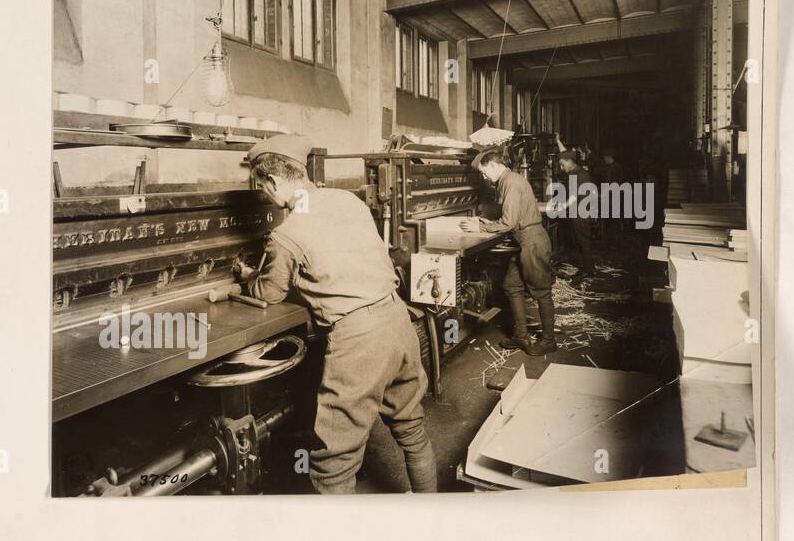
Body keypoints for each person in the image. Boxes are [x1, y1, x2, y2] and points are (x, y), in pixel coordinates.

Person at [236, 134, 437, 494]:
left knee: (334, 464)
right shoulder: (348, 200)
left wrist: (247, 278)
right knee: (411, 429)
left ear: (275, 181)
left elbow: (270, 292)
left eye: (262, 187)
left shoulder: (287, 233)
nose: (266, 196)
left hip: (360, 342)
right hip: (397, 318)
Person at [460, 149, 557, 357]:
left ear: (494, 165)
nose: (485, 178)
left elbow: (509, 222)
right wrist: (487, 222)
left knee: (541, 291)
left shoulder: (510, 183)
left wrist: (481, 227)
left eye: (485, 173)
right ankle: (521, 336)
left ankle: (549, 341)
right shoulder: (508, 180)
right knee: (511, 286)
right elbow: (510, 218)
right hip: (522, 241)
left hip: (531, 242)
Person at [552, 149, 598, 282]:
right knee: (582, 240)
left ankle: (587, 271)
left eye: (562, 164)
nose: (561, 168)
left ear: (569, 161)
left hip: (581, 213)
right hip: (582, 211)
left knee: (582, 241)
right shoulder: (579, 172)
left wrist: (561, 206)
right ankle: (589, 267)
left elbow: (573, 197)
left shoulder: (577, 175)